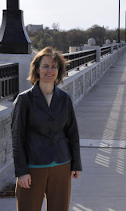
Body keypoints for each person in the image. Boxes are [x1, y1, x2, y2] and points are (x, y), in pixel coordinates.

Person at [11, 47, 82, 211]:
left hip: (62, 164)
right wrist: (21, 172)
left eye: (54, 67)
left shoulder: (65, 99)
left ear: (59, 70)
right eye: (46, 66)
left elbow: (73, 133)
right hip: (33, 166)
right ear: (37, 68)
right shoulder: (24, 100)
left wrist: (76, 163)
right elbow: (17, 138)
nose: (50, 70)